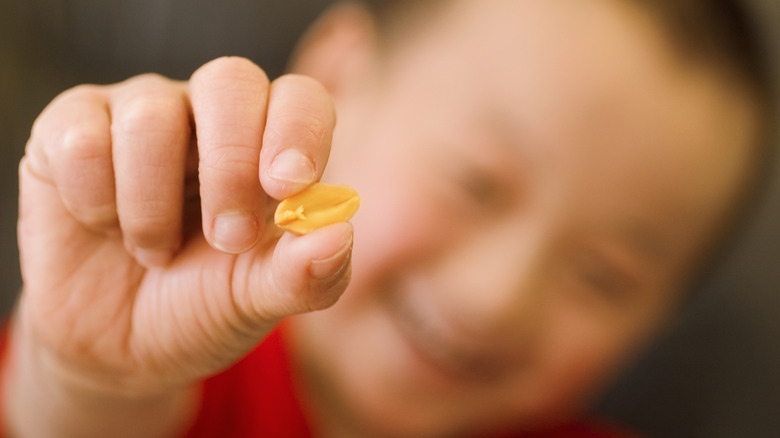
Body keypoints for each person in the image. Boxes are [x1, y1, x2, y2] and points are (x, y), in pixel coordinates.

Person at [0, 0, 772, 437]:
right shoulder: (158, 358)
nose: (495, 297)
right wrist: (90, 379)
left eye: (606, 276)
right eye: (475, 184)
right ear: (339, 76)